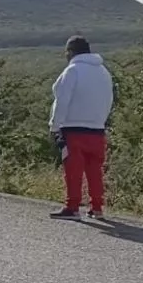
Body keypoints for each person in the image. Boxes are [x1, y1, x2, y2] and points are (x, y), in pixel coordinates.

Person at [48, 35, 114, 220]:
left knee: (73, 169)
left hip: (73, 129)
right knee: (95, 170)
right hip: (97, 129)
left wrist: (55, 126)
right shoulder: (104, 72)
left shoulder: (72, 71)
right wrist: (100, 120)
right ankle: (97, 207)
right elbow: (109, 100)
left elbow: (62, 101)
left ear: (70, 52)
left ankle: (72, 207)